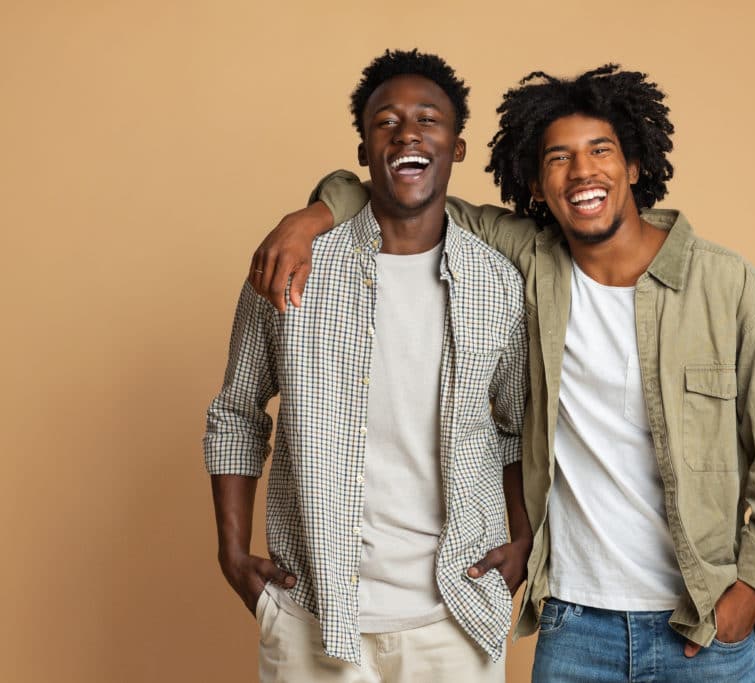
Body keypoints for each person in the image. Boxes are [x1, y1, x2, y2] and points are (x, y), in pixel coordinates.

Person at [251, 64, 755, 683]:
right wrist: (311, 216)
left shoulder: (731, 290)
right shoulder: (527, 260)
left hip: (701, 625)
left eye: (600, 151)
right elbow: (403, 187)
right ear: (536, 183)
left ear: (635, 165)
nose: (582, 173)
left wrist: (754, 590)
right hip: (573, 626)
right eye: (560, 158)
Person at [203, 49, 530, 683]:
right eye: (387, 121)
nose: (408, 132)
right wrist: (231, 553)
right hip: (310, 614)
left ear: (456, 147)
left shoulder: (497, 283)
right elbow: (237, 414)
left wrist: (520, 542)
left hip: (455, 619)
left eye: (428, 120)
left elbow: (515, 426)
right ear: (363, 150)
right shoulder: (290, 268)